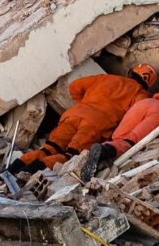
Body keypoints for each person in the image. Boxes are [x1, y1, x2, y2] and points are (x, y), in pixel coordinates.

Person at [21, 65, 151, 170]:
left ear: (131, 72)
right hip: (96, 125)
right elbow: (138, 112)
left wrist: (82, 104)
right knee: (71, 155)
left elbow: (74, 86)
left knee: (50, 148)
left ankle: (15, 168)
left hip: (73, 114)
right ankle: (32, 174)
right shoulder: (140, 93)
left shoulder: (106, 78)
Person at [80, 75, 159, 177]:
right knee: (132, 142)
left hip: (144, 104)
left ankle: (104, 149)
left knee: (118, 137)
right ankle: (104, 151)